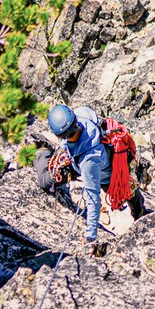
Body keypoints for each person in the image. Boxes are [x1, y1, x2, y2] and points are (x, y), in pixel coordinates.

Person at [35, 103, 114, 252]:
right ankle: (139, 212)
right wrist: (63, 147)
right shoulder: (82, 115)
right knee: (132, 197)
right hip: (101, 163)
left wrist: (91, 237)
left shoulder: (88, 162)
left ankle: (41, 153)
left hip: (93, 169)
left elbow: (93, 199)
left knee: (45, 181)